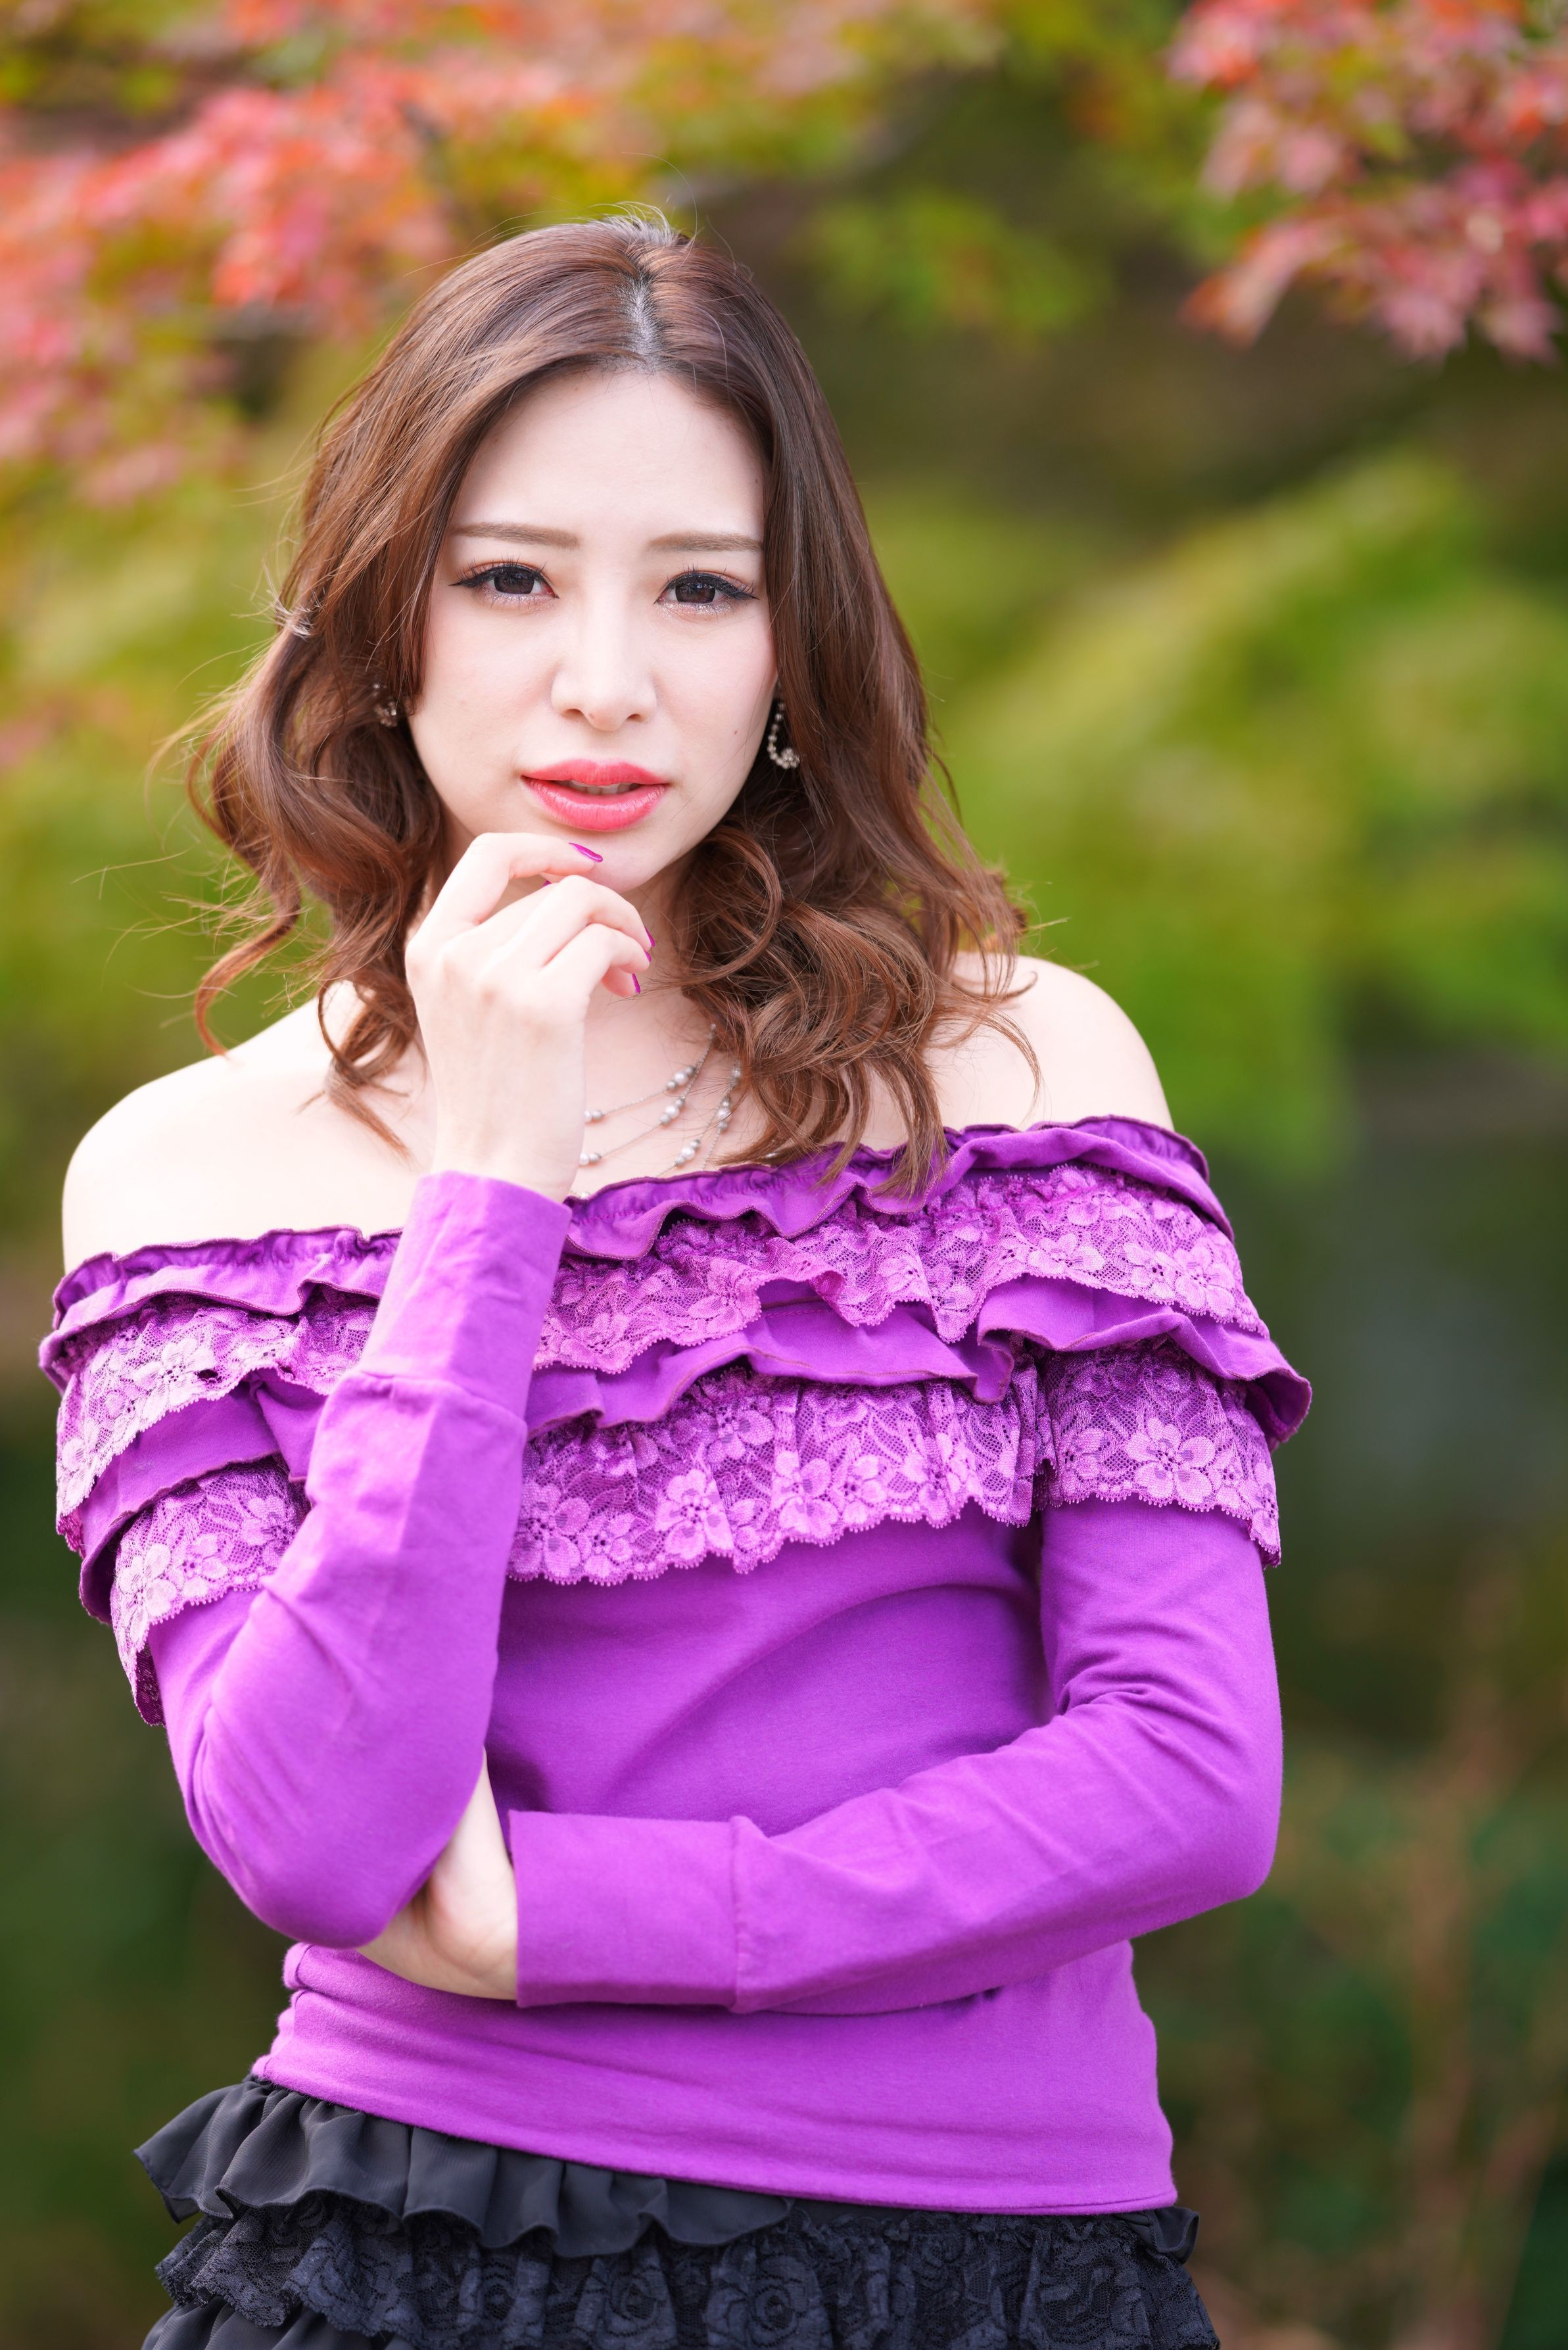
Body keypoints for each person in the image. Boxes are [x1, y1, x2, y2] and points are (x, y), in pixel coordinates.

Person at [42, 215, 1308, 2350]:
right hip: (401, 2245)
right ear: (382, 624)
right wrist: (490, 1179)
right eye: (510, 579)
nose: (607, 680)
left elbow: (1188, 1778)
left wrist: (575, 1918)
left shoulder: (1018, 1076)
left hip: (987, 2264)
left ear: (793, 648)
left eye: (701, 589)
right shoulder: (185, 1177)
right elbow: (318, 1841)